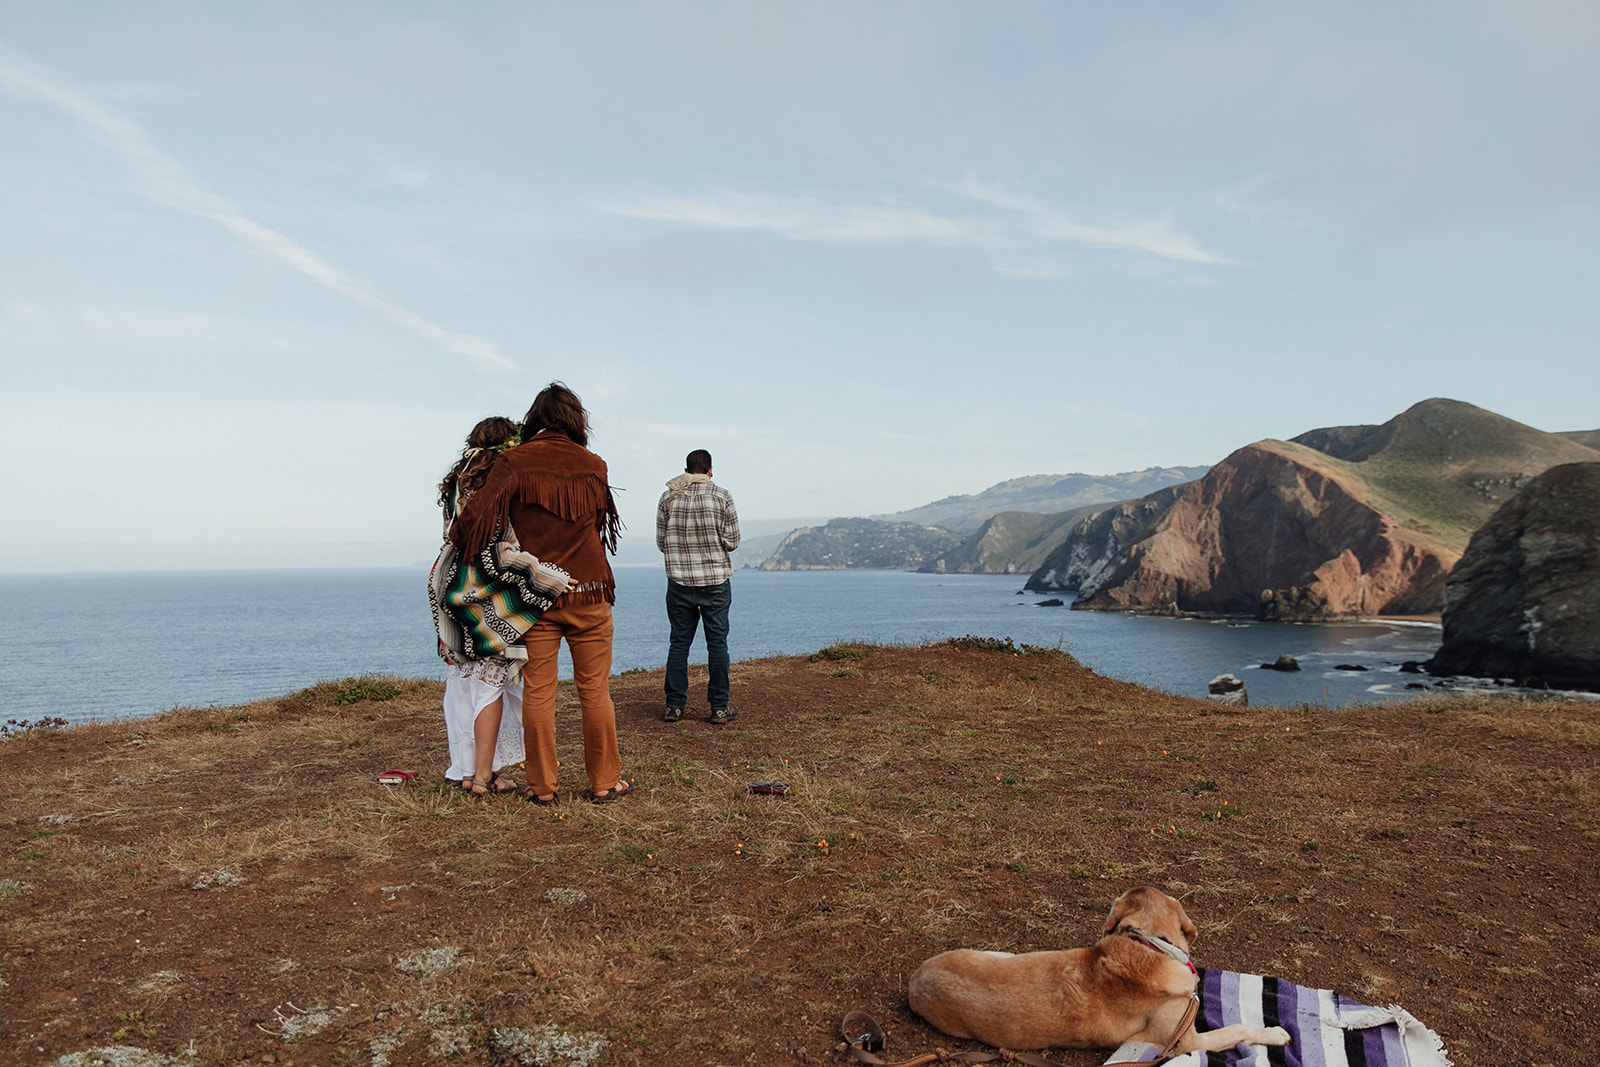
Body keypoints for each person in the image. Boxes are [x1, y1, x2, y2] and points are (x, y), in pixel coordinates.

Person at [449, 383, 630, 805]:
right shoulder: (594, 465)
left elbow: (471, 523)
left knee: (539, 694)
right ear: (575, 420)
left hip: (538, 597)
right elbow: (599, 521)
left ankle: (543, 788)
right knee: (595, 691)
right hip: (591, 591)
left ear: (533, 419)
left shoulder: (513, 462)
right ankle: (604, 782)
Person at [656, 448, 741, 723]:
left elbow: (661, 543)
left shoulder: (668, 497)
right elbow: (732, 541)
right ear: (710, 470)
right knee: (717, 644)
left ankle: (674, 706)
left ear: (686, 469)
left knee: (679, 643)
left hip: (679, 581)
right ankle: (718, 707)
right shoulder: (722, 496)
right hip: (715, 581)